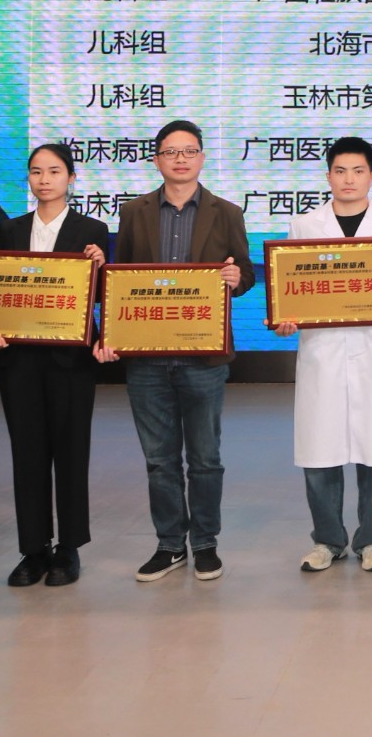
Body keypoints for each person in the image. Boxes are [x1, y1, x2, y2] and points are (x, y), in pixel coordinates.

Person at [103, 119, 256, 584]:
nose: (181, 159)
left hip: (203, 358)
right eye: (171, 151)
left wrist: (237, 278)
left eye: (189, 151)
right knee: (159, 460)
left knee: (205, 459)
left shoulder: (226, 212)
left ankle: (205, 544)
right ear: (157, 160)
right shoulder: (134, 212)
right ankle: (169, 545)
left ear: (202, 157)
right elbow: (121, 281)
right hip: (147, 358)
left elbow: (246, 272)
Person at [277, 136, 372, 574]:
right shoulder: (305, 225)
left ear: (371, 176)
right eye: (340, 171)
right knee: (319, 450)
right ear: (328, 176)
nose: (349, 179)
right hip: (322, 354)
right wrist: (285, 318)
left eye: (358, 171)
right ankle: (327, 540)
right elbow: (291, 288)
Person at [0, 143, 110, 588]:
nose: (44, 180)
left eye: (54, 171)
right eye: (36, 171)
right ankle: (33, 549)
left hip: (70, 359)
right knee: (28, 454)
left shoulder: (92, 230)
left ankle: (69, 548)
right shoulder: (10, 228)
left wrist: (101, 267)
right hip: (19, 359)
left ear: (71, 178)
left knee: (71, 453)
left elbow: (101, 296)